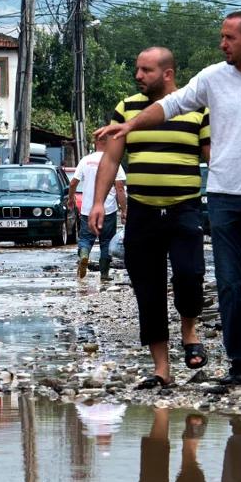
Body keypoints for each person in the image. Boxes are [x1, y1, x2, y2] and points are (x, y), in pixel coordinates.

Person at [96, 12, 241, 386]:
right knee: (229, 283)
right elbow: (170, 104)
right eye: (221, 37)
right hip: (220, 195)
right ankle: (240, 365)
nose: (222, 44)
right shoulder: (213, 77)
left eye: (229, 37)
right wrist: (131, 124)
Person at [91, 47, 209, 389]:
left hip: (184, 209)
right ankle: (161, 369)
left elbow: (213, 156)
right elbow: (111, 160)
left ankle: (190, 331)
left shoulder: (196, 108)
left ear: (167, 74)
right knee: (148, 290)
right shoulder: (126, 109)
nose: (138, 76)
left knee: (190, 274)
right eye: (137, 69)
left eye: (146, 70)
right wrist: (98, 201)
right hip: (142, 212)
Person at [67, 137, 127, 281]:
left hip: (88, 210)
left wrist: (71, 198)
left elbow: (73, 182)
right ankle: (104, 275)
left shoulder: (85, 160)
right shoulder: (114, 161)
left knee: (86, 239)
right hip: (108, 210)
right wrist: (124, 209)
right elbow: (119, 188)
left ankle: (84, 255)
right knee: (106, 242)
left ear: (95, 143)